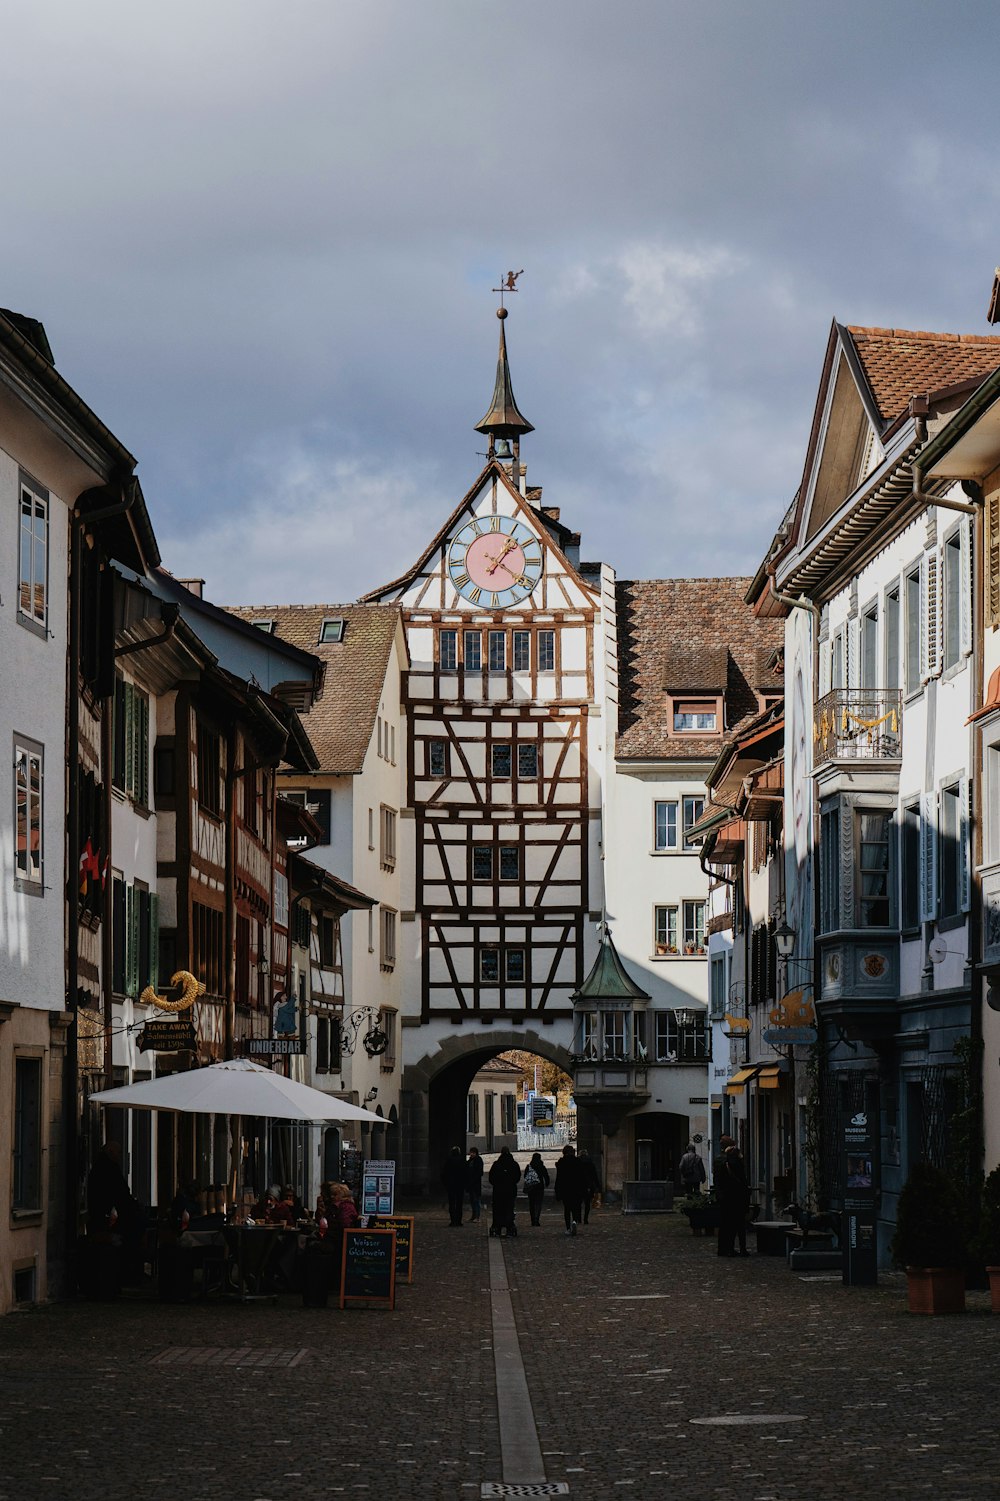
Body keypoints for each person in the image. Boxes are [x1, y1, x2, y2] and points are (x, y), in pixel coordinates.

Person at [714, 1136, 750, 1257]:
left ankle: (725, 1248)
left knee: (726, 1225)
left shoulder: (720, 1160)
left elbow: (717, 1181)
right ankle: (741, 1249)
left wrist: (720, 1195)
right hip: (737, 1197)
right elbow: (743, 1180)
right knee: (739, 1225)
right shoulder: (736, 1161)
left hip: (726, 1197)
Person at [488, 1147, 521, 1237]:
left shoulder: (497, 1164)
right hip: (510, 1191)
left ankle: (497, 1227)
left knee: (498, 1210)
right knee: (509, 1209)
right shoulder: (514, 1164)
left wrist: (497, 1183)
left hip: (498, 1191)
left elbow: (491, 1178)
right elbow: (517, 1177)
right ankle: (509, 1228)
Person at [554, 1143, 585, 1236]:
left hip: (565, 1188)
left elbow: (559, 1178)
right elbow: (582, 1177)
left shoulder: (561, 1163)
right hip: (576, 1188)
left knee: (567, 1209)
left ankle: (568, 1228)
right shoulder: (578, 1162)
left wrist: (557, 1191)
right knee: (575, 1207)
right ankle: (574, 1221)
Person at [523, 1152, 550, 1226]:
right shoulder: (541, 1166)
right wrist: (547, 1183)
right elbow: (546, 1175)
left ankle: (532, 1219)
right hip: (539, 1187)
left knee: (531, 1203)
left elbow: (525, 1176)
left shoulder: (529, 1166)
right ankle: (537, 1219)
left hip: (531, 1187)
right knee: (538, 1203)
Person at [442, 1146, 466, 1227]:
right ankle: (459, 1221)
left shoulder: (449, 1161)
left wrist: (446, 1184)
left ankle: (453, 1221)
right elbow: (466, 1173)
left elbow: (444, 1173)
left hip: (451, 1185)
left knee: (452, 1203)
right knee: (459, 1204)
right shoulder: (462, 1160)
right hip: (460, 1185)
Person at [579, 1149, 601, 1223]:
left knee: (578, 1203)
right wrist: (597, 1185)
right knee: (587, 1203)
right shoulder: (590, 1163)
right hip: (588, 1185)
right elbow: (594, 1175)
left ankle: (578, 1218)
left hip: (579, 1184)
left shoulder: (577, 1162)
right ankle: (585, 1219)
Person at [464, 1146, 485, 1223]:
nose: (471, 1154)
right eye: (471, 1152)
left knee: (476, 1201)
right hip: (471, 1185)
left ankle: (477, 1216)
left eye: (473, 1152)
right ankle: (473, 1216)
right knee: (472, 1201)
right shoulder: (470, 1161)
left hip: (475, 1184)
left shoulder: (478, 1160)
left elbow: (479, 1172)